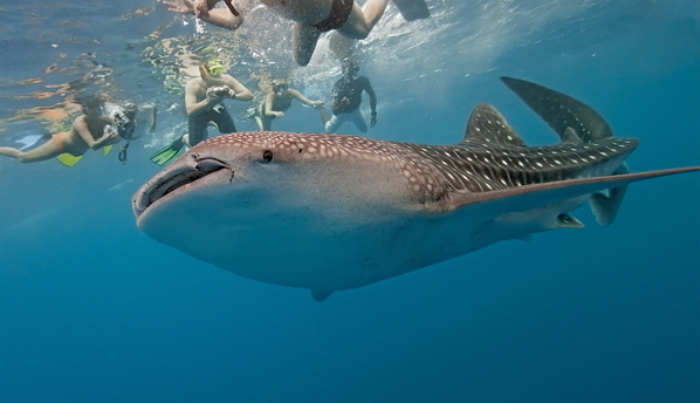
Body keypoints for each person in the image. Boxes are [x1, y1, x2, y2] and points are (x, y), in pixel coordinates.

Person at [163, 0, 429, 66]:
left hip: (335, 7)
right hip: (308, 23)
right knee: (301, 61)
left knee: (365, 29)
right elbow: (235, 22)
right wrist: (201, 12)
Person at [150, 59, 253, 165]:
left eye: (219, 70)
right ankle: (185, 138)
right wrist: (207, 101)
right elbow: (190, 111)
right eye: (213, 71)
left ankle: (212, 123)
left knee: (233, 138)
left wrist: (234, 96)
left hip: (217, 108)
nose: (218, 76)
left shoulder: (226, 79)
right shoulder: (193, 85)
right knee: (197, 148)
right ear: (204, 74)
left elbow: (249, 95)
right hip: (198, 112)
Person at [0, 96, 136, 165]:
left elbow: (120, 124)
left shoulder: (102, 118)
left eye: (99, 108)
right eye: (93, 109)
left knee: (112, 138)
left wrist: (127, 123)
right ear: (85, 110)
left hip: (77, 150)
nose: (97, 112)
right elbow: (94, 146)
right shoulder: (80, 122)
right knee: (23, 158)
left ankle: (49, 134)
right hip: (61, 145)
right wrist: (106, 136)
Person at [322, 58, 377, 133]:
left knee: (364, 130)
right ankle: (320, 109)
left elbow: (372, 95)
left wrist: (373, 113)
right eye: (350, 71)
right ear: (343, 71)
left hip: (356, 112)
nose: (353, 73)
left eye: (355, 70)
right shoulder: (338, 86)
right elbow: (335, 111)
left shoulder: (362, 80)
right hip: (341, 116)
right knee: (328, 131)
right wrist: (342, 104)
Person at [254, 79, 324, 131]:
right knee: (266, 132)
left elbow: (308, 102)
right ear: (275, 89)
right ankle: (257, 117)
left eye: (283, 87)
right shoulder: (271, 96)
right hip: (264, 113)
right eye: (279, 87)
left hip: (276, 112)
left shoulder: (292, 93)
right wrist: (276, 113)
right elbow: (267, 112)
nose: (281, 90)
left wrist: (316, 103)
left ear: (287, 87)